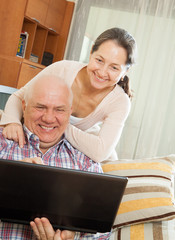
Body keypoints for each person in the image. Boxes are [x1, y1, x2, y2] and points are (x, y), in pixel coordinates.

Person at [0, 27, 137, 162]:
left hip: (77, 138)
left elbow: (100, 153)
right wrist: (12, 121)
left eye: (114, 67)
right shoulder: (62, 69)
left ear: (126, 71)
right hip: (36, 129)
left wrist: (58, 123)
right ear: (91, 53)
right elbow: (19, 97)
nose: (102, 72)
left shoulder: (120, 101)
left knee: (111, 160)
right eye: (99, 60)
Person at [0, 76, 111, 240]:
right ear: (24, 106)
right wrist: (6, 178)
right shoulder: (3, 143)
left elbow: (102, 234)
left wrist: (72, 238)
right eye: (40, 107)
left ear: (70, 111)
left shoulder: (87, 164)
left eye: (59, 110)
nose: (49, 118)